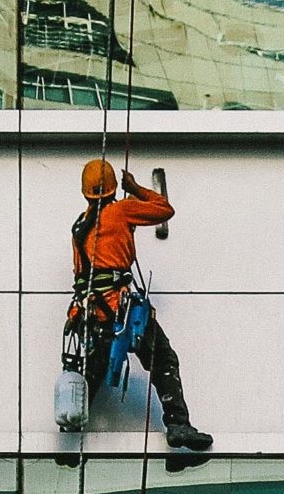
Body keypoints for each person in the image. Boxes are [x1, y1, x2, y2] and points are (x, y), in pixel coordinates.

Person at [61, 158, 211, 467]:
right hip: (122, 310)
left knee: (93, 372)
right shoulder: (120, 211)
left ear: (85, 192)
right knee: (163, 360)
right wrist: (135, 188)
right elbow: (164, 210)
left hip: (94, 314)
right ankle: (177, 424)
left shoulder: (79, 227)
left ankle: (71, 437)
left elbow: (80, 274)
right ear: (113, 187)